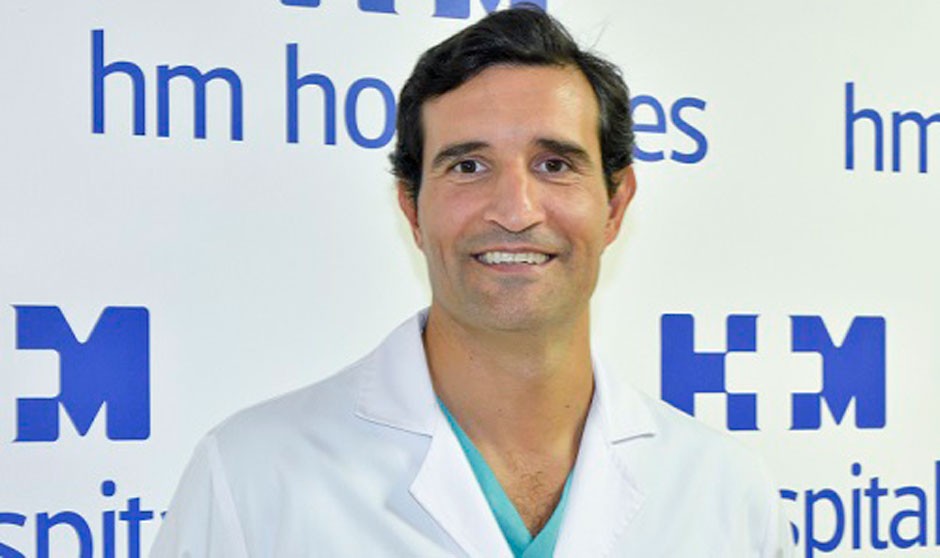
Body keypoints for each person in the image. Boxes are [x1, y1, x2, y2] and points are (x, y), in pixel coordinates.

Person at [151, 6, 793, 557]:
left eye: (554, 164)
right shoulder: (251, 477)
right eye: (468, 166)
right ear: (412, 208)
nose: (515, 210)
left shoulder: (724, 491)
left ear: (615, 204)